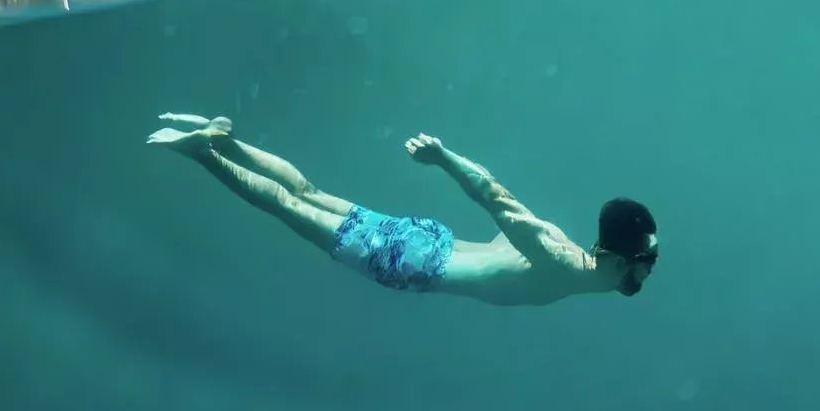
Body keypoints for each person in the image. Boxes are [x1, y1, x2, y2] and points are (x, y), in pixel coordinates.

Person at [147, 113, 657, 306]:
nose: (648, 271)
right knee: (286, 203)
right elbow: (497, 202)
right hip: (411, 262)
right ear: (619, 260)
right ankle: (203, 152)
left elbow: (501, 196)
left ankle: (224, 140)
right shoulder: (562, 264)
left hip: (427, 241)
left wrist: (447, 158)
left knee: (306, 191)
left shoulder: (562, 243)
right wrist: (443, 159)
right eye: (646, 263)